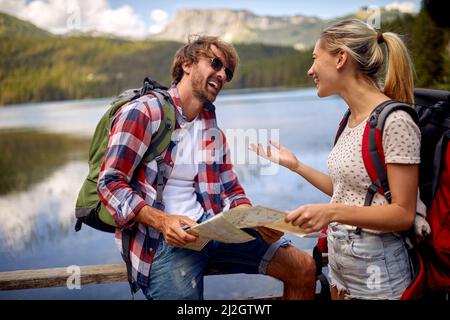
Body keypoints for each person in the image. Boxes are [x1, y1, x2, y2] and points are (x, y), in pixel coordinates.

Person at [97, 36, 316, 300]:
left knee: (303, 268)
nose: (222, 74)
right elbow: (110, 183)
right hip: (161, 244)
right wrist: (163, 220)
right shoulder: (144, 112)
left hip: (210, 229)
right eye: (215, 63)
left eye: (228, 72)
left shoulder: (212, 130)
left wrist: (255, 221)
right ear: (187, 64)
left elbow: (231, 190)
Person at [251, 19, 421, 300]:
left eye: (315, 59)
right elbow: (352, 192)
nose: (310, 70)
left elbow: (402, 214)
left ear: (341, 58)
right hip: (343, 266)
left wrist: (330, 213)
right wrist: (297, 166)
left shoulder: (395, 121)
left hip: (378, 271)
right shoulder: (350, 120)